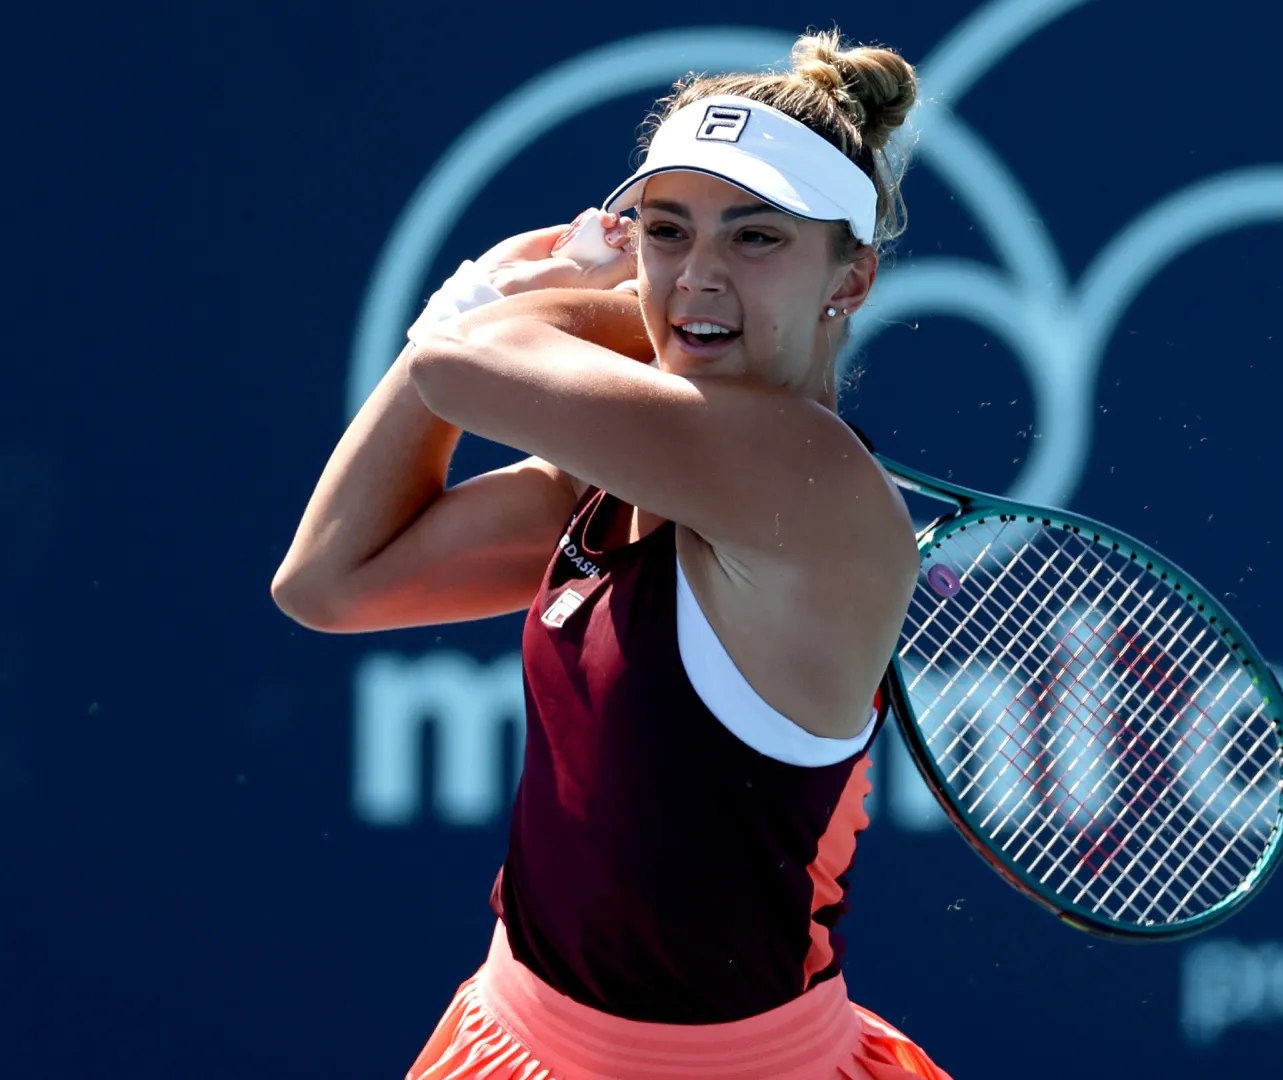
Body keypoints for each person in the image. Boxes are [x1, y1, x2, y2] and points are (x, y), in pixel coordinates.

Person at [271, 29, 952, 1080]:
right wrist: (607, 311)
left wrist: (500, 288)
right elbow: (330, 580)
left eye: (755, 238)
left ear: (852, 278)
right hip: (507, 1038)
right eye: (666, 232)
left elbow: (462, 358)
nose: (699, 273)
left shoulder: (808, 483)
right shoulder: (617, 475)